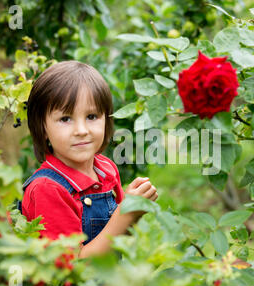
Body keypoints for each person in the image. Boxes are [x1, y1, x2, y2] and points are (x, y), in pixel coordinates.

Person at [21, 60, 158, 258]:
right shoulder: (47, 188)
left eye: (92, 116)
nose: (81, 131)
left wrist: (134, 211)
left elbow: (117, 240)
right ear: (42, 128)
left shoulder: (106, 169)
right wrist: (126, 213)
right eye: (66, 119)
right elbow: (70, 267)